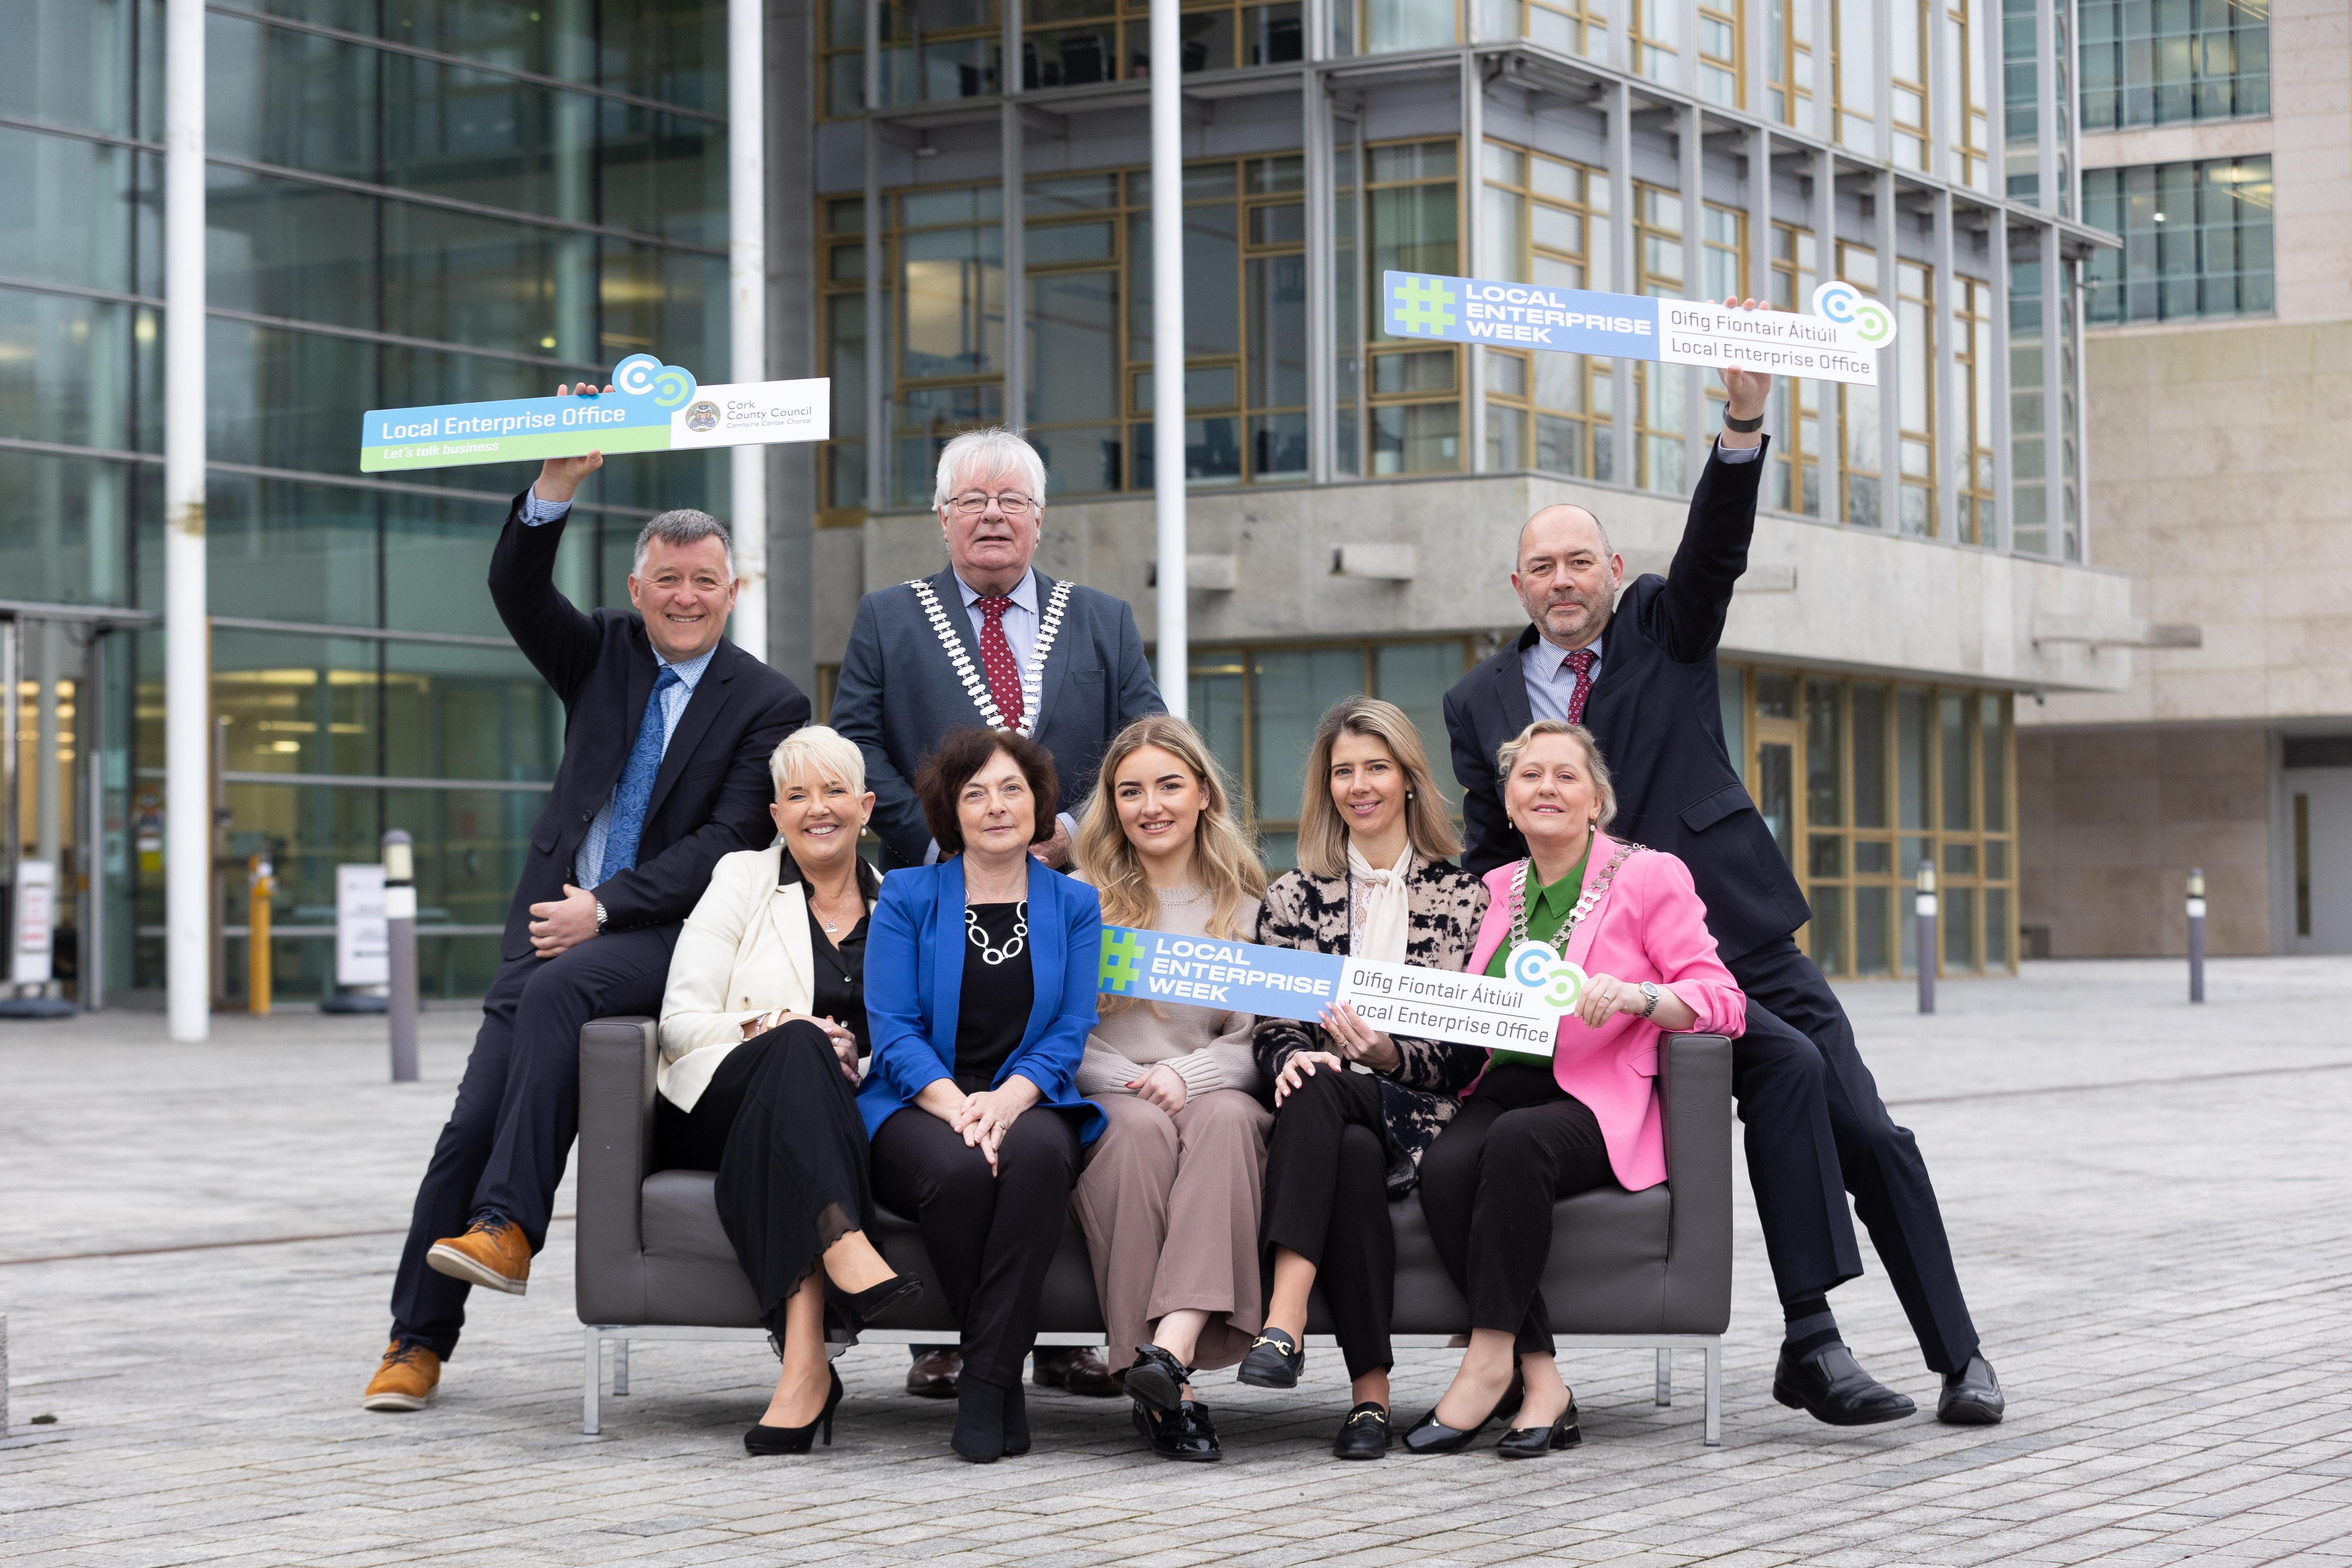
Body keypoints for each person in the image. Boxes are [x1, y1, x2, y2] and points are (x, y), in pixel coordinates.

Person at [1441, 302, 2006, 1427]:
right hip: (1607, 990)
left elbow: (1717, 553)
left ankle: (1957, 1355)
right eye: (1539, 568)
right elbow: (1489, 856)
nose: (1562, 581)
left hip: (1736, 938)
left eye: (1579, 562)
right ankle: (1814, 1337)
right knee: (1779, 1077)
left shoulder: (1664, 625)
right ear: (1519, 589)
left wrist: (1741, 421)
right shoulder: (1479, 703)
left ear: (1613, 569)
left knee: (1863, 1126)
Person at [363, 386, 808, 1413]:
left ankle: (513, 1226)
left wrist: (602, 911)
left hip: (664, 937)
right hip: (547, 930)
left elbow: (723, 844)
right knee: (466, 1129)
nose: (685, 598)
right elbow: (517, 587)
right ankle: (414, 1343)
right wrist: (556, 479)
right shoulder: (601, 651)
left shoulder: (769, 703)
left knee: (568, 999)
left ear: (733, 588)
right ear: (636, 584)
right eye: (667, 581)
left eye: (705, 581)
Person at [830, 425, 1160, 1399]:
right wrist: (950, 839)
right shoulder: (890, 618)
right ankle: (945, 1336)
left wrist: (1063, 832)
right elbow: (857, 747)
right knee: (948, 1132)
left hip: (1066, 900)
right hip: (936, 904)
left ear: (1041, 517)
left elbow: (1139, 738)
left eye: (1012, 500)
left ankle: (1057, 1334)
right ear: (941, 517)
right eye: (973, 500)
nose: (993, 516)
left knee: (1046, 1119)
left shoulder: (1100, 620)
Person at [1408, 721, 1745, 1457]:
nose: (1547, 789)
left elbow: (1723, 1000)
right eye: (1530, 776)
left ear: (1599, 800)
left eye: (1566, 776)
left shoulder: (1650, 876)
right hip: (1503, 1086)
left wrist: (1634, 996)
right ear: (1507, 802)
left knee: (1517, 1144)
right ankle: (1543, 1378)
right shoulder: (1496, 887)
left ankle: (1486, 1361)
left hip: (1595, 1100)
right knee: (1446, 1167)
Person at [654, 726, 918, 1455]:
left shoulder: (900, 904)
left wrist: (855, 1057)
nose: (817, 809)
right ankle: (848, 1249)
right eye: (797, 795)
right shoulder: (741, 878)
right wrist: (776, 1023)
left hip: (824, 1111)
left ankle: (806, 1371)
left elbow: (917, 1037)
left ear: (866, 807)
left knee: (801, 1097)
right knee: (799, 1044)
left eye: (834, 791)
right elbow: (679, 1023)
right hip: (715, 1098)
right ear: (776, 816)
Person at [1242, 696, 1491, 1460]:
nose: (1360, 785)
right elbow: (1272, 1025)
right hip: (1326, 1112)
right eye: (1343, 771)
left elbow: (1463, 1052)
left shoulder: (1464, 897)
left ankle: (1284, 1320)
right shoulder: (1292, 897)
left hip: (1419, 1110)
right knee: (1335, 1126)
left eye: (1376, 768)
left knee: (1327, 1092)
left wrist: (1386, 1056)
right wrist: (1291, 1058)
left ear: (1409, 779)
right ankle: (1369, 1403)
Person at [858, 727, 1107, 1462]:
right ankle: (1003, 1381)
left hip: (1032, 1098)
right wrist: (958, 1105)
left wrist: (1006, 1101)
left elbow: (1071, 1028)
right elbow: (893, 1027)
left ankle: (986, 1378)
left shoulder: (1075, 903)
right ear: (950, 811)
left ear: (1037, 806)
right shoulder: (906, 894)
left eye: (1012, 790)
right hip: (918, 1102)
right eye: (976, 794)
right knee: (960, 1172)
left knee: (1034, 1162)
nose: (996, 807)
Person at [1069, 715, 1271, 1464]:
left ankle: (1171, 1356)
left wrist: (1183, 1076)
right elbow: (1056, 1032)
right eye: (1131, 791)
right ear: (1112, 806)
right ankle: (1163, 1388)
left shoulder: (1250, 906)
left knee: (1227, 1122)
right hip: (1111, 1095)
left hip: (1212, 1091)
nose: (1150, 805)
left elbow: (1257, 1039)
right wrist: (1132, 1081)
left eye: (1168, 786)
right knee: (1138, 1134)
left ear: (1204, 796)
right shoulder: (1076, 902)